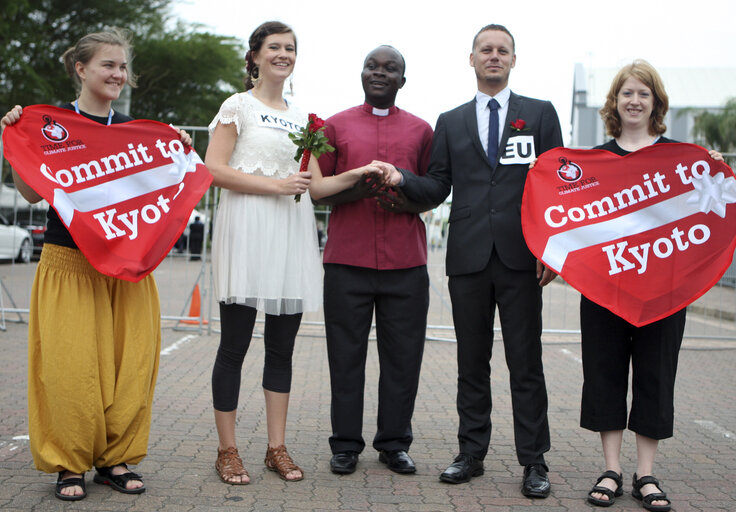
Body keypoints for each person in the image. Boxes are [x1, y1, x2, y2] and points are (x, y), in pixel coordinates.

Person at [0, 29, 192, 501]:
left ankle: (115, 459)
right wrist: (17, 137)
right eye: (108, 65)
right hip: (68, 264)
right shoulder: (48, 123)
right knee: (69, 369)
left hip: (127, 270)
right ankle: (69, 464)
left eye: (123, 67)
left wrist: (179, 150)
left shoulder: (137, 134)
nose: (118, 75)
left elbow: (169, 191)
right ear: (81, 69)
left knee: (130, 367)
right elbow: (30, 193)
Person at [385, 24, 561, 497]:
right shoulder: (452, 120)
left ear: (513, 60)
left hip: (523, 258)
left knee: (525, 363)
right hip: (468, 258)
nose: (494, 56)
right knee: (471, 362)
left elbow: (557, 186)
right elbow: (438, 183)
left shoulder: (540, 115)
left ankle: (534, 461)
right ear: (472, 59)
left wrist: (554, 250)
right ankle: (471, 454)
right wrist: (401, 180)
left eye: (503, 50)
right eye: (486, 49)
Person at [204, 21, 381, 485]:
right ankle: (227, 450)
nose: (283, 54)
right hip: (247, 229)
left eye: (290, 48)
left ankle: (275, 448)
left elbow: (318, 187)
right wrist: (275, 185)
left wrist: (360, 172)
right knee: (235, 346)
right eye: (275, 47)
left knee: (281, 349)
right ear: (256, 56)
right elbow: (213, 170)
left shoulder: (305, 118)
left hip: (290, 232)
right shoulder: (236, 106)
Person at [580, 59, 723, 511]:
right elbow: (573, 225)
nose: (635, 101)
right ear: (615, 102)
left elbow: (710, 212)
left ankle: (645, 473)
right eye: (627, 93)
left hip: (664, 292)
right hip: (605, 288)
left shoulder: (683, 162)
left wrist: (714, 170)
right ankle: (611, 468)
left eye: (643, 93)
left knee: (655, 377)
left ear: (656, 103)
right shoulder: (597, 162)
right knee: (604, 373)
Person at [315, 45, 433, 475]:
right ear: (361, 74)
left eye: (390, 69)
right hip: (348, 260)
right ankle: (345, 444)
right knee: (345, 357)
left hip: (406, 263)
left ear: (403, 79)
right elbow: (319, 188)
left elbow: (433, 188)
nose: (379, 73)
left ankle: (394, 443)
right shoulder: (335, 126)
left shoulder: (422, 130)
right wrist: (360, 188)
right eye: (371, 66)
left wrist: (402, 190)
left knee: (403, 359)